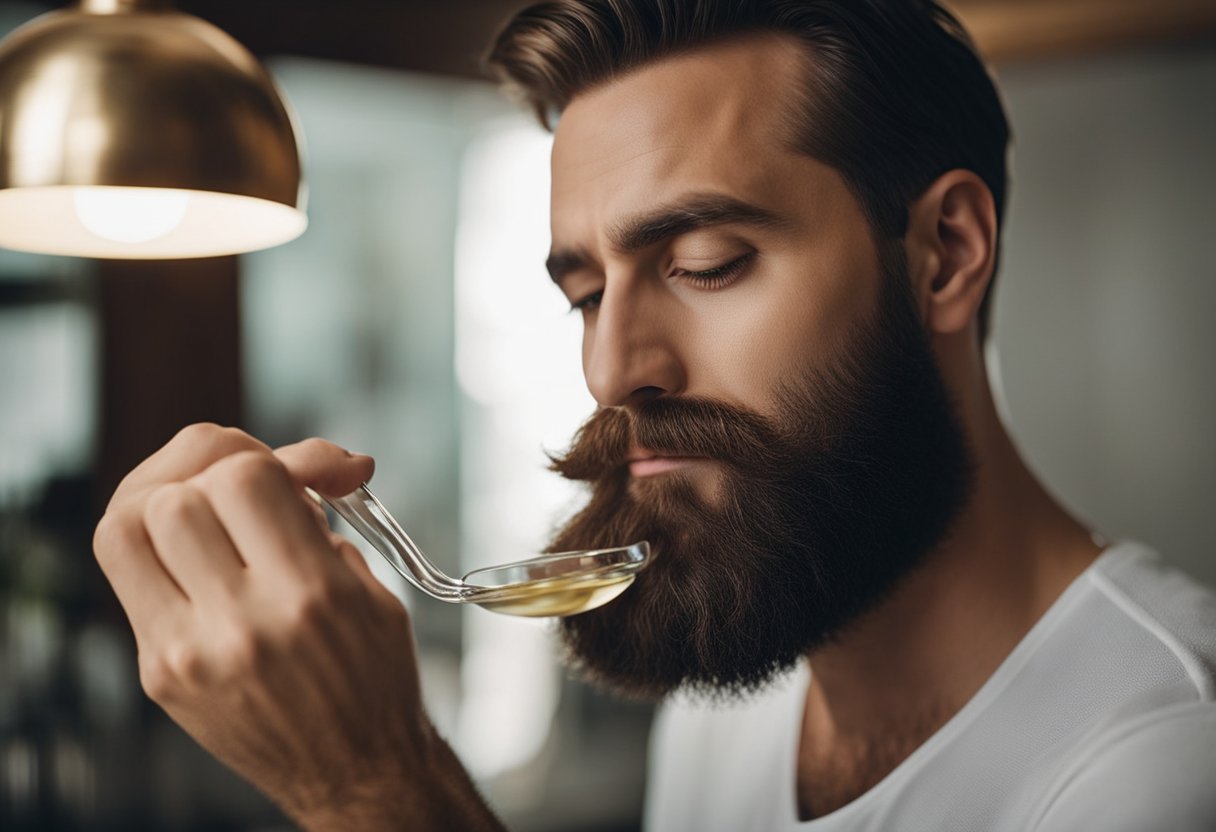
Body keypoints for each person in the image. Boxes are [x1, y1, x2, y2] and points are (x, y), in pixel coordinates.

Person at [92, 1, 1216, 829]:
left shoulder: (1159, 763)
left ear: (945, 256)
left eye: (706, 263)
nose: (611, 366)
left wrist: (374, 789)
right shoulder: (730, 703)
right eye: (585, 293)